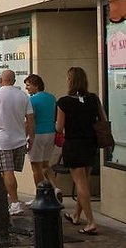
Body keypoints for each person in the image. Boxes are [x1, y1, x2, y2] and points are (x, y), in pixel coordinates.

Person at [57, 67, 101, 235]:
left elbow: (59, 128)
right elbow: (100, 119)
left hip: (73, 144)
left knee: (81, 184)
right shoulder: (93, 99)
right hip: (90, 144)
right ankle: (76, 215)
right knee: (85, 182)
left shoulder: (64, 102)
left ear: (70, 81)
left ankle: (90, 222)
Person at [0, 69, 35, 216]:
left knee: (7, 171)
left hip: (3, 139)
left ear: (0, 80)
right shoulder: (23, 96)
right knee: (10, 172)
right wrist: (31, 137)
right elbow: (30, 119)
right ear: (14, 80)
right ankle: (9, 199)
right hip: (19, 139)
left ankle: (15, 202)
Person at [24, 74, 62, 203]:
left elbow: (30, 119)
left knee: (36, 167)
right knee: (46, 165)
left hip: (37, 134)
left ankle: (39, 197)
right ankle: (56, 188)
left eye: (28, 85)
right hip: (50, 133)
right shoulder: (51, 98)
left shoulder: (32, 100)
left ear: (36, 85)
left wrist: (26, 135)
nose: (26, 88)